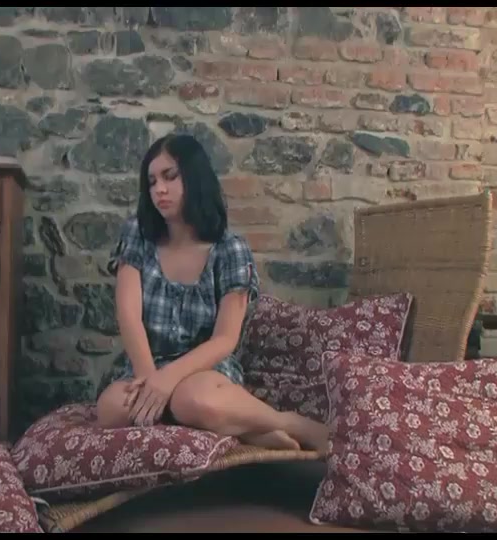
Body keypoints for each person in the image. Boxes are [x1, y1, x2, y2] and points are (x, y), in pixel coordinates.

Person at [95, 132, 329, 452]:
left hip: (204, 369)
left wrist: (169, 379)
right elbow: (129, 315)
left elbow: (225, 339)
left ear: (194, 178)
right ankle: (249, 431)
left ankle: (288, 422)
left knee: (193, 399)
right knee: (111, 409)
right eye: (151, 181)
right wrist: (151, 380)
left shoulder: (230, 249)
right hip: (148, 363)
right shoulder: (138, 234)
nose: (159, 189)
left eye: (170, 176)